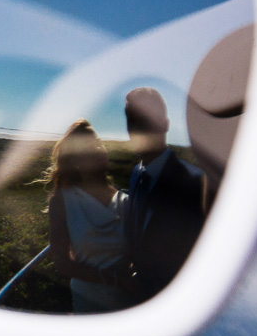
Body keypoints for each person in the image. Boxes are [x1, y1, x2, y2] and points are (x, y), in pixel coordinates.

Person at [121, 86, 207, 302]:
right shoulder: (135, 175)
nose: (137, 129)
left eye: (145, 120)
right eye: (132, 121)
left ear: (165, 124)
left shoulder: (194, 182)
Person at [42, 119, 131, 313]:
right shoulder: (63, 201)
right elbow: (62, 262)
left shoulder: (126, 201)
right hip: (89, 303)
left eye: (98, 144)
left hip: (129, 301)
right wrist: (115, 279)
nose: (98, 150)